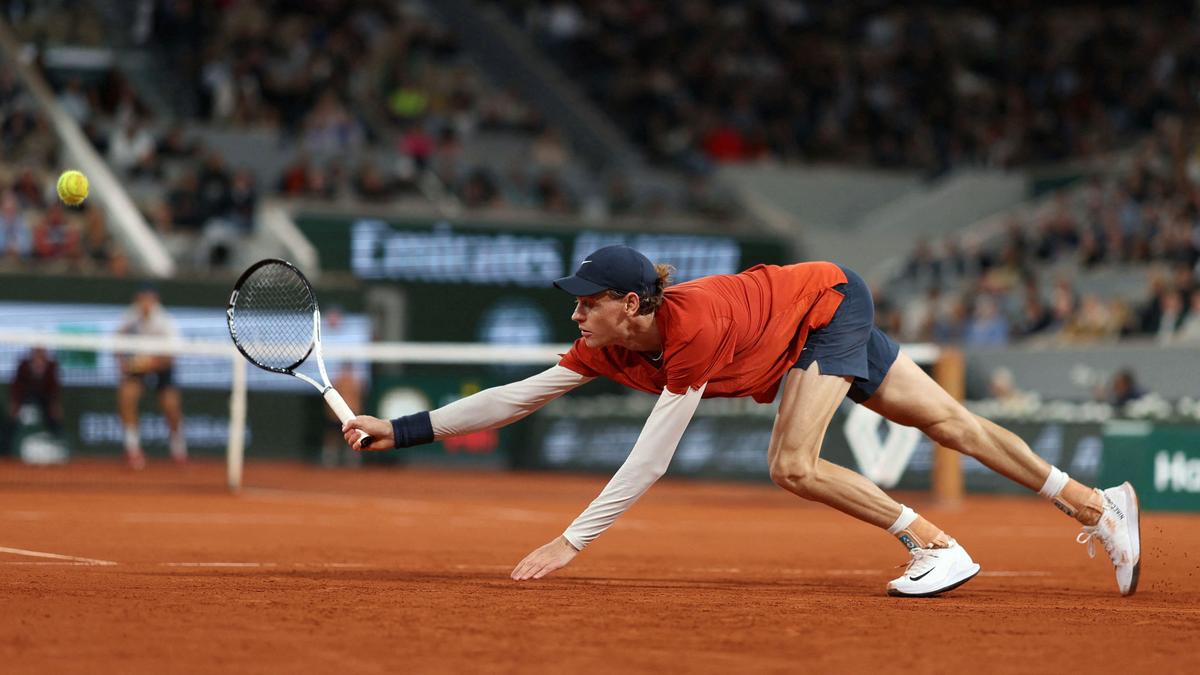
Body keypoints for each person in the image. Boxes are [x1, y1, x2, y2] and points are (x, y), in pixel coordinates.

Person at [342, 246, 1141, 597]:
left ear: (631, 305)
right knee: (955, 426)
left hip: (826, 310)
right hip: (811, 316)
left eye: (587, 300)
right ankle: (1100, 504)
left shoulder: (687, 332)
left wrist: (572, 538)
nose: (576, 311)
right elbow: (515, 397)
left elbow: (651, 459)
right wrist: (401, 428)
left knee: (792, 463)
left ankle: (931, 542)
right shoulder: (606, 343)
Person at [116, 286, 186, 469]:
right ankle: (133, 450)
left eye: (149, 299)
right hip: (136, 366)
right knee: (126, 396)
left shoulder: (166, 321)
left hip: (161, 365)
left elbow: (171, 356)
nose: (145, 303)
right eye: (142, 299)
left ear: (155, 300)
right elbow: (117, 342)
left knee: (171, 405)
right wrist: (124, 362)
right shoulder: (129, 317)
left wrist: (148, 363)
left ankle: (178, 448)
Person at [5, 346, 63, 454]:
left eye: (42, 351)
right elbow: (17, 386)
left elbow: (54, 387)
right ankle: (6, 450)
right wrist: (15, 404)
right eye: (37, 351)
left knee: (54, 417)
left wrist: (54, 405)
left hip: (44, 397)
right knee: (11, 419)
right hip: (25, 395)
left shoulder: (51, 366)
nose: (40, 353)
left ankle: (59, 445)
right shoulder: (24, 365)